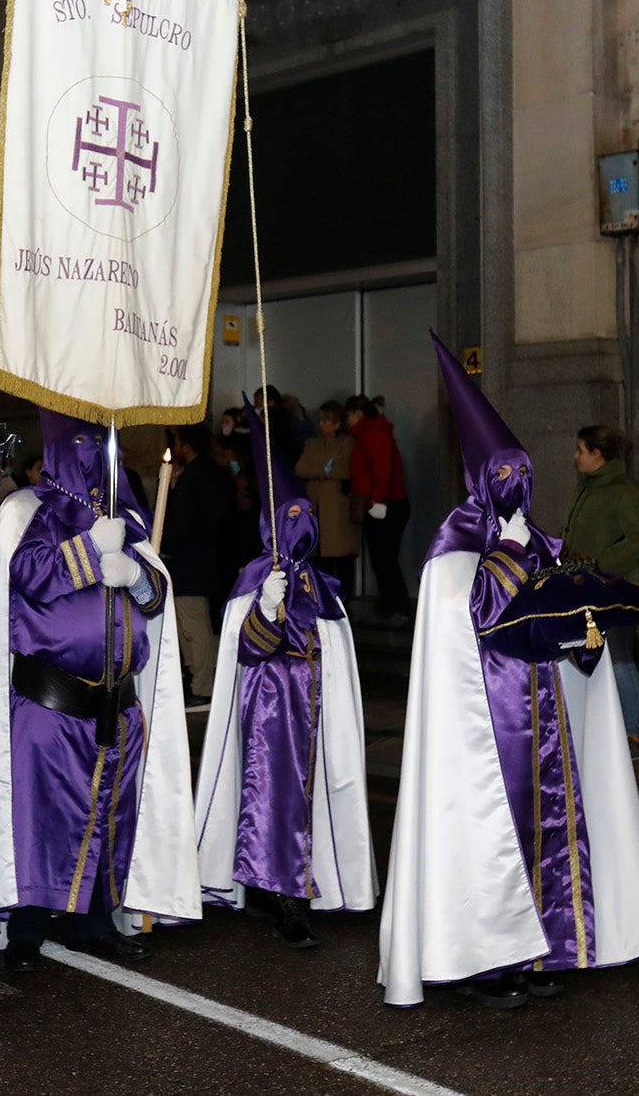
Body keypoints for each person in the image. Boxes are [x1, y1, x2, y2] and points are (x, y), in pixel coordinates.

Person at [379, 333, 639, 1008]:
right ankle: (489, 957)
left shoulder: (538, 537)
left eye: (525, 472)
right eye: (505, 474)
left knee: (551, 828)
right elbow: (473, 612)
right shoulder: (458, 541)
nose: (519, 485)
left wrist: (588, 639)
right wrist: (508, 556)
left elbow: (560, 610)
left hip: (545, 711)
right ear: (485, 479)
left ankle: (547, 944)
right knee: (491, 829)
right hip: (482, 722)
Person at [0, 410, 200, 973]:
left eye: (96, 444)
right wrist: (88, 553)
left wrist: (137, 574)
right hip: (51, 705)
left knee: (108, 814)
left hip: (116, 701)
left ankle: (91, 923)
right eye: (78, 444)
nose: (89, 454)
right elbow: (27, 577)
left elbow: (154, 600)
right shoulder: (28, 511)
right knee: (43, 818)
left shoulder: (128, 516)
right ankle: (26, 931)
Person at [195, 402, 376, 947]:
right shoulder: (255, 580)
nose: (301, 526)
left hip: (317, 714)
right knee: (271, 805)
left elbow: (336, 654)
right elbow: (248, 650)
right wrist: (266, 609)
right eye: (289, 518)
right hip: (270, 715)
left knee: (317, 798)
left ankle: (312, 884)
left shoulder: (325, 589)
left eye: (307, 517)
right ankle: (283, 899)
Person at [561, 424, 639, 759]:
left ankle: (631, 734)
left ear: (597, 454)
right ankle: (599, 729)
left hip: (614, 591)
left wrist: (600, 562)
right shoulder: (584, 490)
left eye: (580, 450)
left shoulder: (626, 492)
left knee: (618, 660)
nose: (575, 458)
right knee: (586, 658)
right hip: (581, 589)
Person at [161, 421, 233, 706]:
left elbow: (189, 522)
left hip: (193, 561)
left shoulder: (199, 477)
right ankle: (198, 681)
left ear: (187, 444)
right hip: (192, 560)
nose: (174, 447)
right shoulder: (202, 474)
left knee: (195, 627)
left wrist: (166, 544)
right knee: (186, 626)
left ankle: (204, 685)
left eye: (177, 441)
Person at [345, 394, 411, 625]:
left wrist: (376, 500)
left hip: (385, 504)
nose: (348, 420)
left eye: (349, 415)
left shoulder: (373, 434)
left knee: (385, 559)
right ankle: (389, 606)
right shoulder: (370, 433)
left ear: (358, 414)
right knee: (382, 559)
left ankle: (398, 608)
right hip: (383, 502)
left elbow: (382, 470)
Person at [294, 400, 358, 599]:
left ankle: (344, 598)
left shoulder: (346, 443)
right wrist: (325, 471)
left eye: (326, 421)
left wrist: (319, 472)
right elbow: (300, 468)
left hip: (336, 506)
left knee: (340, 555)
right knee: (320, 554)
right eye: (320, 420)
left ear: (337, 424)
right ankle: (322, 597)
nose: (321, 424)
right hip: (315, 503)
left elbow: (344, 471)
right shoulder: (312, 443)